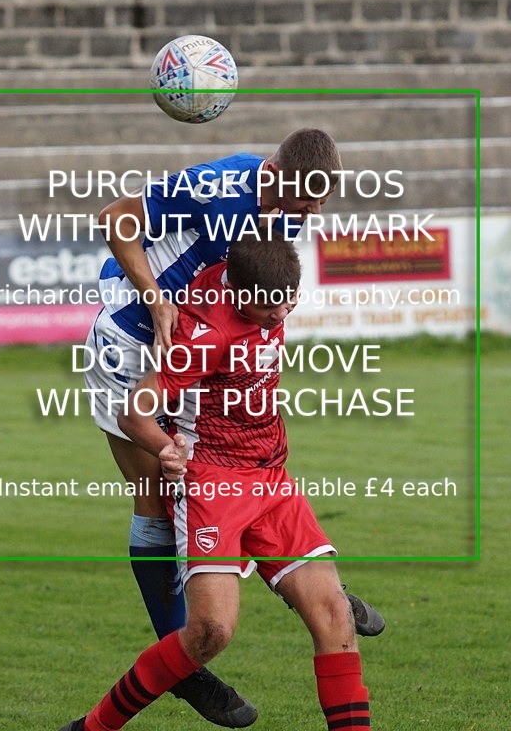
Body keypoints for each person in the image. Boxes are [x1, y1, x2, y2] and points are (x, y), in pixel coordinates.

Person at [83, 128, 382, 726]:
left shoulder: (290, 212)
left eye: (312, 210)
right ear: (272, 172)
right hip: (132, 339)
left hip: (196, 350)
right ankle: (185, 669)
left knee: (220, 476)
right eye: (298, 205)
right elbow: (114, 217)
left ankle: (303, 577)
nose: (302, 217)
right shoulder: (215, 186)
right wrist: (155, 296)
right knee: (160, 499)